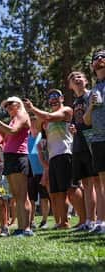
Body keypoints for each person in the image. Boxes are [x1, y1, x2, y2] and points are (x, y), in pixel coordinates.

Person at [24, 89, 85, 230]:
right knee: (57, 193)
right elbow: (38, 127)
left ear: (62, 98)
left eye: (56, 95)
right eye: (50, 96)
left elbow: (49, 117)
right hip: (53, 157)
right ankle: (63, 222)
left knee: (71, 188)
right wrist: (33, 112)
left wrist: (33, 108)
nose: (53, 98)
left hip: (66, 154)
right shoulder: (48, 117)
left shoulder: (67, 110)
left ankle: (84, 220)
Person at [0, 96, 33, 236]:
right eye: (5, 106)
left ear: (18, 104)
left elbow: (13, 131)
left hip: (19, 157)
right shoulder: (13, 119)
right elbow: (7, 136)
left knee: (23, 195)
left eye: (10, 104)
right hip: (10, 157)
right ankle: (20, 228)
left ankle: (26, 229)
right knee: (16, 196)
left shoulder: (22, 115)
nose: (7, 107)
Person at [67, 71, 98, 231]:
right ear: (70, 86)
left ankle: (98, 221)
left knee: (96, 183)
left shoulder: (92, 95)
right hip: (79, 144)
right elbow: (76, 123)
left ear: (86, 81)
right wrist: (73, 128)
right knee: (86, 184)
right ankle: (89, 221)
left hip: (92, 141)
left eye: (79, 76)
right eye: (73, 78)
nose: (76, 79)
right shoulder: (75, 103)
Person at [83, 49, 105, 234]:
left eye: (102, 57)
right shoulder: (93, 90)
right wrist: (91, 106)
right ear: (92, 66)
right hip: (98, 139)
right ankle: (102, 222)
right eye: (96, 58)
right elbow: (87, 121)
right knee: (102, 183)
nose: (99, 60)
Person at [27, 115, 50, 230]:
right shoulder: (26, 138)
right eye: (31, 122)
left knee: (44, 198)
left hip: (43, 172)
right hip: (30, 173)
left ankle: (44, 220)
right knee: (31, 199)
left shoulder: (43, 136)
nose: (33, 124)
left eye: (35, 121)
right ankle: (31, 221)